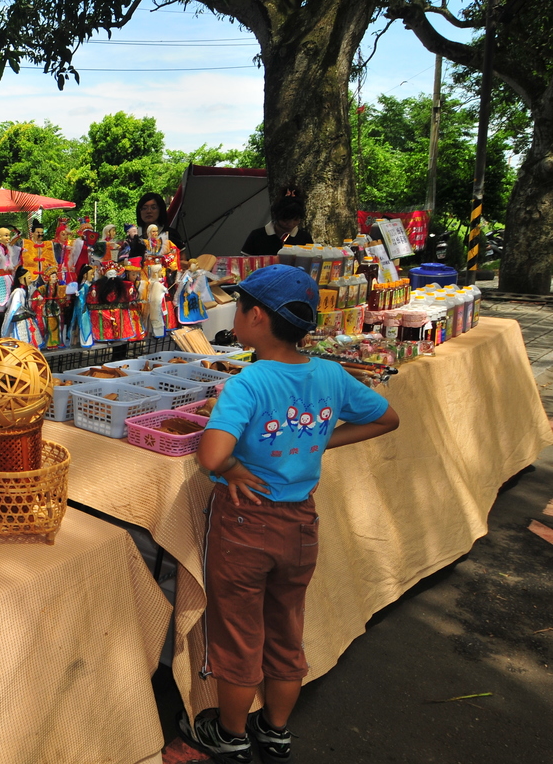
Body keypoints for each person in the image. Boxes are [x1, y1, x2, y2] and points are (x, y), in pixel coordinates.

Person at [182, 264, 399, 764]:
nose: (234, 315)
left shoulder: (250, 382)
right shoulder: (328, 373)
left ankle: (231, 735)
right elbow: (387, 418)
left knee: (237, 631)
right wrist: (322, 443)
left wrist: (234, 470)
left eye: (237, 307)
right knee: (285, 626)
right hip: (300, 522)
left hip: (244, 525)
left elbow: (212, 457)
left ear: (255, 317)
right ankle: (275, 730)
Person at [241, 194, 312, 256]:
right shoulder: (257, 235)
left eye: (296, 220)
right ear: (276, 216)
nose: (290, 224)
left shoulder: (304, 237)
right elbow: (245, 261)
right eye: (285, 220)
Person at [127, 192, 185, 259]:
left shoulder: (171, 234)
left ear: (160, 210)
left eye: (153, 207)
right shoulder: (135, 236)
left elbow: (182, 259)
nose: (149, 211)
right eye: (144, 208)